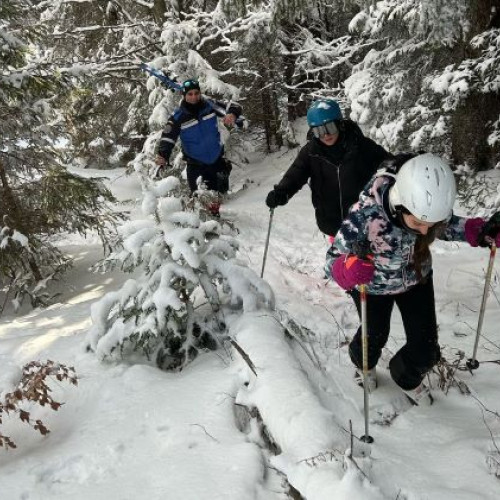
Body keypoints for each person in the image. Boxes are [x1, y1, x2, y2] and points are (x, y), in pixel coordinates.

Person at [326, 152, 500, 404]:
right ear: (399, 204)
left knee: (426, 349)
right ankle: (363, 365)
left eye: (430, 223)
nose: (425, 230)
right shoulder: (364, 216)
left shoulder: (425, 206)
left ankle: (405, 376)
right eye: (417, 222)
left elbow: (448, 225)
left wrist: (479, 232)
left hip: (417, 279)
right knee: (374, 335)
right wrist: (347, 268)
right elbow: (332, 260)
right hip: (372, 286)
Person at [265, 99, 391, 237]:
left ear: (339, 124)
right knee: (340, 257)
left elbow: (389, 164)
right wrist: (281, 192)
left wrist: (405, 164)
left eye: (329, 127)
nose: (325, 135)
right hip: (331, 223)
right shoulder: (311, 152)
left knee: (362, 258)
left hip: (362, 222)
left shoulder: (360, 146)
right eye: (319, 130)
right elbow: (296, 173)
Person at [155, 79, 243, 215]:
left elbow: (235, 105)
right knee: (199, 201)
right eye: (190, 94)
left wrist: (232, 113)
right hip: (195, 164)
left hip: (216, 160)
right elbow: (168, 138)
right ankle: (203, 227)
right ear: (184, 96)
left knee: (215, 199)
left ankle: (214, 223)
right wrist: (163, 155)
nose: (194, 97)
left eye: (196, 93)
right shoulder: (178, 117)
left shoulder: (210, 106)